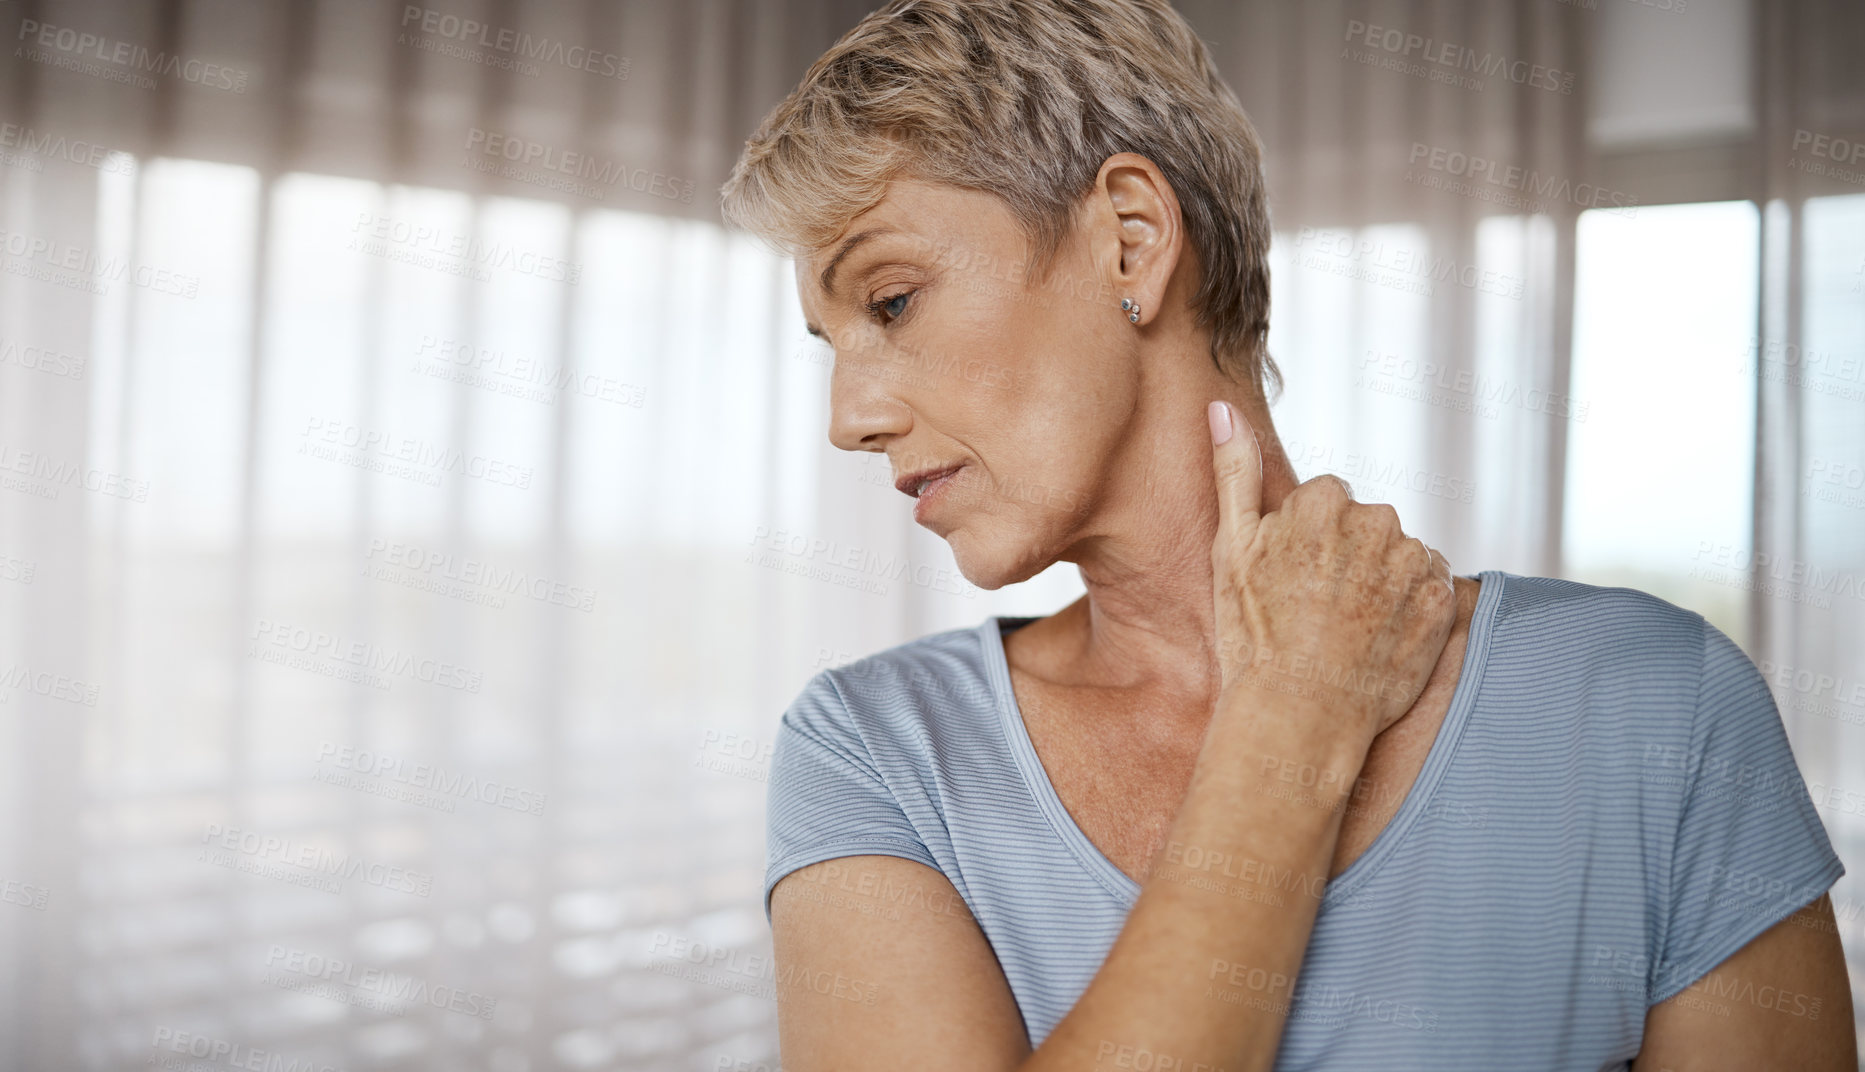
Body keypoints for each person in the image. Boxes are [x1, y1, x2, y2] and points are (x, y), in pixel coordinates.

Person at [718, 1, 1854, 1068]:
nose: (848, 419)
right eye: (831, 344)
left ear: (1128, 238)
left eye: (890, 301)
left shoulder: (1654, 704)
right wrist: (1289, 719)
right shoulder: (869, 754)